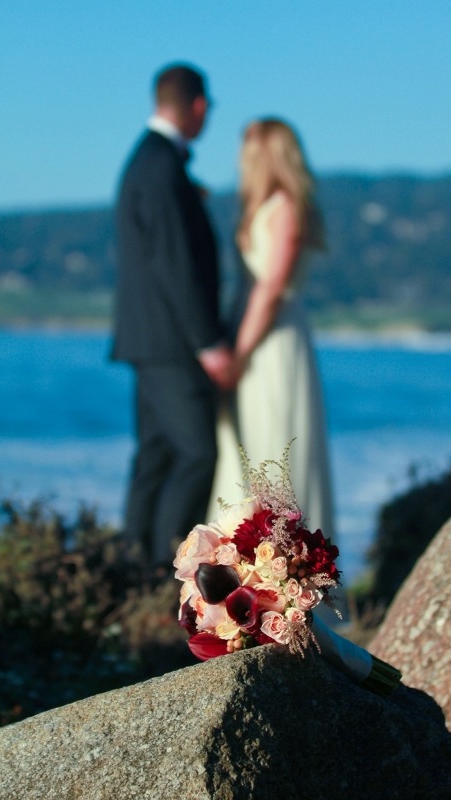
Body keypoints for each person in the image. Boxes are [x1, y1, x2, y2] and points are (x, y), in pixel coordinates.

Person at [111, 63, 234, 572]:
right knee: (197, 457)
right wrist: (209, 343)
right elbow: (175, 264)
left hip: (149, 341)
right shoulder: (161, 168)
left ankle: (131, 571)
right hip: (171, 345)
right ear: (199, 106)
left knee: (157, 458)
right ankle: (166, 571)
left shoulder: (148, 161)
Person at [208, 118, 335, 539]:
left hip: (270, 344)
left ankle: (281, 586)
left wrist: (239, 355)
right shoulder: (268, 208)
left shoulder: (284, 208)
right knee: (251, 458)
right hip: (255, 335)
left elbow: (269, 290)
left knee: (273, 457)